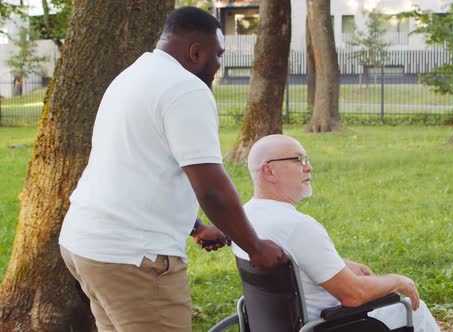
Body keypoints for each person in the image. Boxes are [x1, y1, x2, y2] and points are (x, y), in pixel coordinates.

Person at [58, 7, 285, 332]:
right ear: (196, 52)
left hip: (87, 246)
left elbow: (134, 168)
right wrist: (256, 247)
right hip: (134, 259)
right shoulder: (186, 88)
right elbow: (210, 188)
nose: (219, 65)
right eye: (217, 56)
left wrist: (194, 227)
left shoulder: (132, 76)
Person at [232, 134, 441, 332]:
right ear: (269, 171)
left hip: (273, 325)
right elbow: (354, 295)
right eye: (299, 160)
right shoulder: (298, 226)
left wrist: (338, 264)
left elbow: (294, 264)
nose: (309, 168)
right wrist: (398, 281)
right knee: (413, 308)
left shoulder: (244, 218)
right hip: (330, 324)